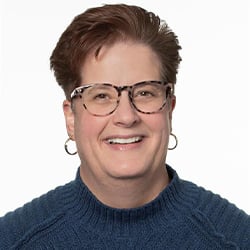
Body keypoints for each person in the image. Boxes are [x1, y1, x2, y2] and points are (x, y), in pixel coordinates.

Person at [0, 3, 249, 249]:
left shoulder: (236, 239)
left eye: (144, 93)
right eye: (101, 96)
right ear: (71, 118)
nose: (126, 116)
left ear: (169, 108)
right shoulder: (12, 240)